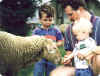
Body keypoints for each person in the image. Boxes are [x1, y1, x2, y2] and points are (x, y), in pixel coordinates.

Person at [63, 0, 100, 65]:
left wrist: (89, 53)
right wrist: (68, 60)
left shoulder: (98, 23)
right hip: (79, 68)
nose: (69, 18)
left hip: (97, 67)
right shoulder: (68, 30)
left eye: (71, 14)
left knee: (98, 59)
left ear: (80, 9)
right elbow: (69, 52)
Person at [32, 4, 63, 76]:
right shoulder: (37, 31)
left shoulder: (55, 30)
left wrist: (55, 44)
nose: (48, 22)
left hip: (52, 57)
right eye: (45, 20)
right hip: (40, 57)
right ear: (40, 20)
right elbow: (33, 42)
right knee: (38, 72)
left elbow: (61, 41)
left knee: (52, 73)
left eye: (50, 20)